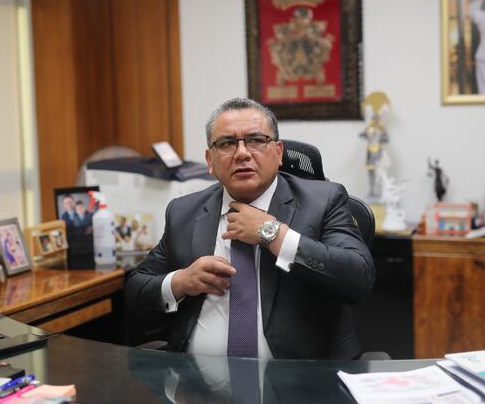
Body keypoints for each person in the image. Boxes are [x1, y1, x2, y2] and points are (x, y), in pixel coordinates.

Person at [126, 98, 375, 360]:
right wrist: (180, 281)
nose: (242, 153)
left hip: (299, 376)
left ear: (278, 152)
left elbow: (358, 277)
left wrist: (273, 234)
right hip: (195, 376)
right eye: (226, 143)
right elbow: (135, 289)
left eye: (256, 140)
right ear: (210, 160)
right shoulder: (184, 212)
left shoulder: (324, 201)